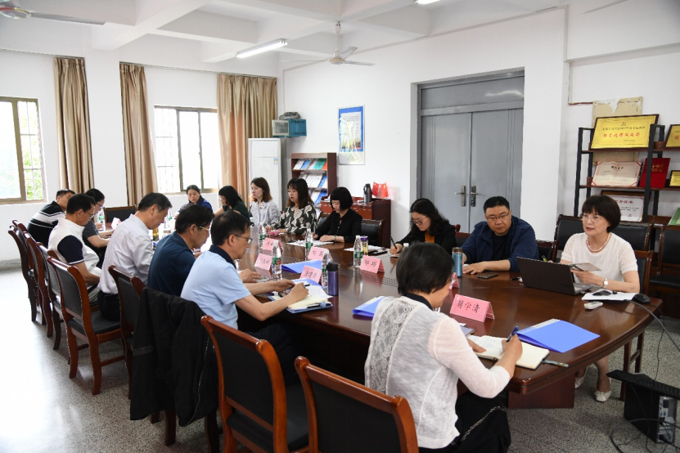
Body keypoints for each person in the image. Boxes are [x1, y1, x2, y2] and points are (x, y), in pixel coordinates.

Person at [365, 242, 522, 452]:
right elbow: (488, 387)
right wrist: (511, 354)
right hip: (422, 441)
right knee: (494, 410)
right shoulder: (441, 325)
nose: (449, 288)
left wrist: (455, 340)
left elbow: (411, 333)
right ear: (434, 284)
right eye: (449, 281)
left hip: (383, 426)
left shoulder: (384, 306)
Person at [181, 211, 308, 384]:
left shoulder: (207, 258)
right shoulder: (222, 268)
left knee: (284, 351)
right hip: (220, 349)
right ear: (232, 239)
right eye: (247, 239)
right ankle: (274, 389)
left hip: (204, 343)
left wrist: (273, 285)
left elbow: (235, 290)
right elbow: (261, 312)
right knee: (286, 332)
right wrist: (292, 297)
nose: (248, 244)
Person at [561, 195, 639, 403]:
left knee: (590, 324)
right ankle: (581, 363)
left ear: (609, 221)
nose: (588, 221)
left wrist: (599, 281)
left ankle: (602, 372)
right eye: (585, 216)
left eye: (596, 217)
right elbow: (562, 272)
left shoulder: (622, 247)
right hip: (580, 299)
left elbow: (634, 286)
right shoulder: (575, 240)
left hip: (612, 304)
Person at [98, 193, 172, 321]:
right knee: (173, 302)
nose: (163, 221)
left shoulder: (125, 225)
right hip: (121, 304)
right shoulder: (138, 235)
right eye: (163, 216)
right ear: (153, 209)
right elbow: (151, 272)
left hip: (106, 298)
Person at [147, 205, 214, 296]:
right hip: (172, 304)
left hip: (157, 301)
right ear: (193, 229)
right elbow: (208, 286)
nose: (208, 235)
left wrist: (192, 258)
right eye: (207, 229)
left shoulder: (167, 240)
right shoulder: (181, 256)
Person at [461, 196, 538, 274]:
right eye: (492, 218)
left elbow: (519, 262)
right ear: (486, 217)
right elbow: (467, 251)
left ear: (510, 213)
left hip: (515, 279)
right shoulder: (481, 230)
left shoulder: (524, 231)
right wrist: (459, 259)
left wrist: (483, 265)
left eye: (502, 216)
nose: (498, 222)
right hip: (485, 278)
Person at [48, 194, 101, 303]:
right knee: (126, 288)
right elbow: (84, 277)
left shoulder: (60, 228)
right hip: (81, 291)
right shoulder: (69, 238)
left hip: (71, 284)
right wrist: (107, 281)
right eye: (90, 215)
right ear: (79, 213)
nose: (90, 219)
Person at [390, 198, 457, 255]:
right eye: (414, 221)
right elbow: (404, 241)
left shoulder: (447, 230)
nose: (417, 224)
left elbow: (442, 255)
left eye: (420, 220)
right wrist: (398, 246)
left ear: (430, 216)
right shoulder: (418, 229)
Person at [82, 188, 112, 267]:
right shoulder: (86, 220)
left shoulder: (85, 218)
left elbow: (92, 235)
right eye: (100, 206)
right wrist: (113, 239)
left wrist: (110, 233)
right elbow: (98, 243)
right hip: (95, 261)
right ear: (92, 203)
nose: (100, 209)